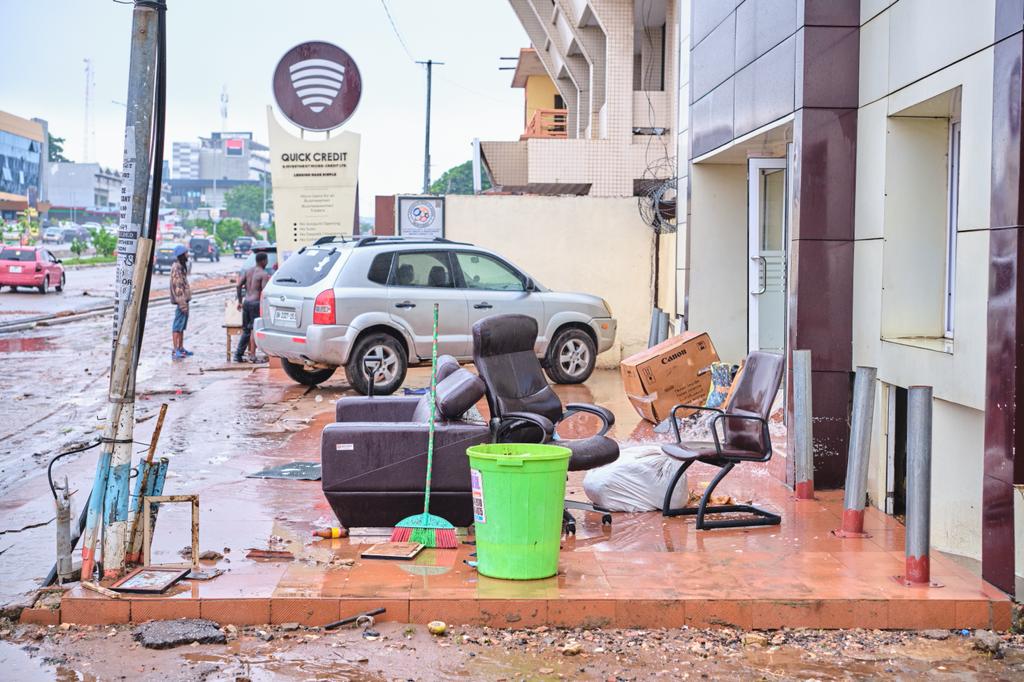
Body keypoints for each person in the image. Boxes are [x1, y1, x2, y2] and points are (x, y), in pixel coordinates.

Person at [234, 251, 271, 362]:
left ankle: (238, 355)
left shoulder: (248, 271)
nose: (267, 262)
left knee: (246, 330)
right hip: (255, 304)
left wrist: (240, 301)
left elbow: (238, 285)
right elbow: (264, 292)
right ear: (263, 261)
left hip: (246, 303)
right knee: (254, 329)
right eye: (266, 260)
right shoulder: (263, 274)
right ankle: (252, 356)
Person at [169, 244, 192, 359]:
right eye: (186, 253)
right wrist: (182, 304)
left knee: (182, 326)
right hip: (181, 302)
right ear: (182, 255)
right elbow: (178, 288)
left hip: (184, 301)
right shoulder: (177, 268)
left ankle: (181, 348)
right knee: (177, 326)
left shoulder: (181, 266)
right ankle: (175, 349)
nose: (188, 255)